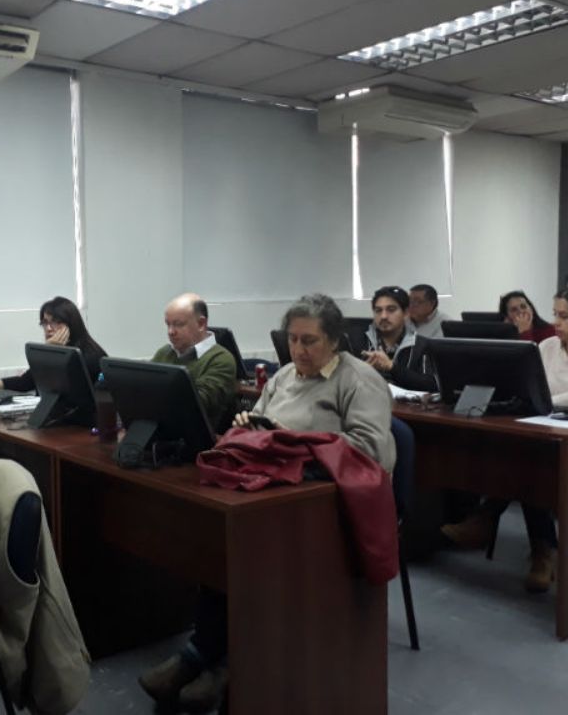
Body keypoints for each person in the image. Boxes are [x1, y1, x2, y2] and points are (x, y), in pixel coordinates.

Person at [139, 294, 395, 712]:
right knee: (223, 547)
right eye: (293, 339)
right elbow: (261, 422)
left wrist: (293, 443)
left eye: (310, 341)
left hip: (331, 505)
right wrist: (251, 426)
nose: (298, 350)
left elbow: (370, 452)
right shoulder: (284, 377)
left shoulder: (359, 379)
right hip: (277, 490)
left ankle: (235, 668)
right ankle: (202, 654)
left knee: (255, 556)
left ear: (334, 341)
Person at [442, 286, 568, 593]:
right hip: (547, 436)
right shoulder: (548, 347)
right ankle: (542, 549)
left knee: (529, 459)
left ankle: (491, 519)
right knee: (526, 457)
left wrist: (536, 400)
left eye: (565, 316)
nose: (556, 321)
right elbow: (528, 386)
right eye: (555, 313)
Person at [151, 293, 236, 430]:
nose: (170, 332)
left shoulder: (221, 359)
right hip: (159, 430)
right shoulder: (164, 353)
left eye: (178, 324)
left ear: (201, 324)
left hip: (195, 440)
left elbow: (197, 402)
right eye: (168, 324)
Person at [0, 296, 107, 392]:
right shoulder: (59, 351)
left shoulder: (89, 356)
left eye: (56, 322)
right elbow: (27, 382)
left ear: (71, 324)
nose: (49, 328)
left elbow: (62, 393)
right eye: (45, 323)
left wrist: (52, 354)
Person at [358, 286, 436, 392]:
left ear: (406, 313)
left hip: (406, 407)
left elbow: (430, 385)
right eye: (378, 311)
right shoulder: (358, 340)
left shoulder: (421, 345)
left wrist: (392, 367)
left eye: (391, 310)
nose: (383, 316)